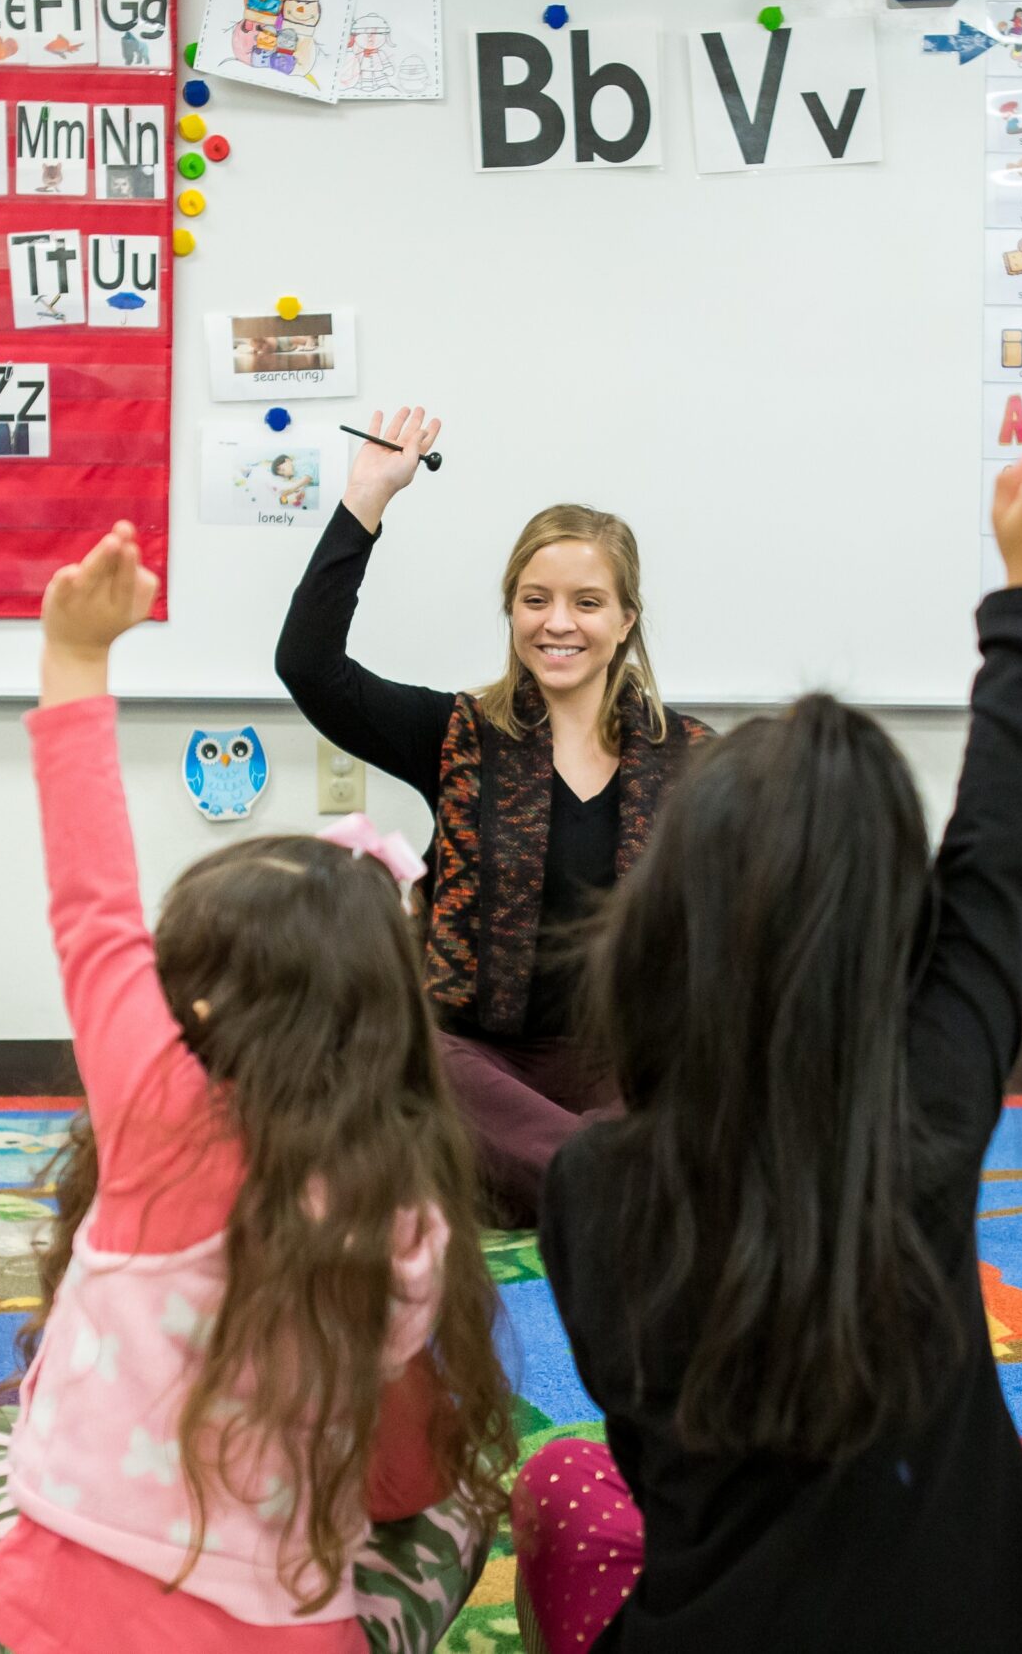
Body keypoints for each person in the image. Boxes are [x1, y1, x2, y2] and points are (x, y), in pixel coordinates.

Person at [513, 404, 1022, 1653]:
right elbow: (1001, 862)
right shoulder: (931, 1110)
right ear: (894, 928)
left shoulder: (589, 1186)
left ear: (662, 918)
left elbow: (643, 1466)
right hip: (984, 1620)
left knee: (555, 1487)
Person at [0, 522, 517, 1654]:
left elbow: (91, 908)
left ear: (193, 1006)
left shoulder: (152, 1107)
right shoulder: (399, 1217)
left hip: (58, 1623)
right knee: (465, 1496)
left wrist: (76, 661)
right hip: (276, 1634)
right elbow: (401, 1484)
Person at [275, 408, 712, 1226]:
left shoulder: (691, 755)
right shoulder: (457, 734)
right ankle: (614, 1184)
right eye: (535, 599)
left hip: (622, 1062)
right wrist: (367, 499)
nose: (558, 622)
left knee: (703, 1077)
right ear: (511, 610)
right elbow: (308, 665)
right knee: (419, 1066)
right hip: (477, 1059)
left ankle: (580, 1174)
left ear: (624, 620)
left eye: (587, 602)